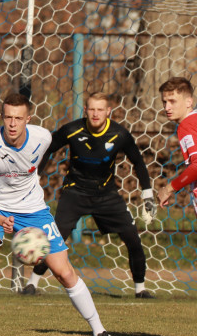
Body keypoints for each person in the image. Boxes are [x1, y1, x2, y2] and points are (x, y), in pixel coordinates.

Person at [0, 92, 122, 336]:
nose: (12, 123)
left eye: (18, 118)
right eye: (8, 117)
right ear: (2, 117)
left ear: (27, 119)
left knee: (64, 272)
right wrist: (1, 219)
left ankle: (100, 331)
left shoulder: (42, 137)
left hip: (33, 209)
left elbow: (48, 156)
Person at [22, 93, 158, 299]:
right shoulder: (72, 129)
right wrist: (34, 177)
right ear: (85, 110)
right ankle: (32, 284)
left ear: (108, 112)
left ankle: (140, 289)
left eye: (100, 110)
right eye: (92, 109)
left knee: (132, 238)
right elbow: (47, 149)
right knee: (53, 239)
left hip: (106, 194)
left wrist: (147, 193)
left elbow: (138, 162)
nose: (95, 114)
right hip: (75, 192)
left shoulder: (119, 134)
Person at [157, 77, 197, 215]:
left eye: (172, 101)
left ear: (189, 101)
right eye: (164, 102)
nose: (167, 107)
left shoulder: (188, 125)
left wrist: (168, 189)